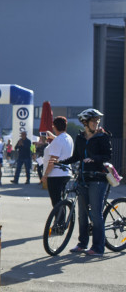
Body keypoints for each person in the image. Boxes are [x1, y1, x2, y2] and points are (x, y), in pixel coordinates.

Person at [59, 108, 113, 256]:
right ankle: (82, 244)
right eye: (93, 121)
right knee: (82, 214)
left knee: (95, 214)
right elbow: (76, 156)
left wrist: (94, 159)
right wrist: (60, 161)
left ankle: (98, 248)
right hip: (83, 178)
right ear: (85, 123)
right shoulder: (80, 138)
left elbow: (107, 156)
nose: (96, 123)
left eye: (97, 121)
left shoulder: (103, 137)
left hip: (98, 178)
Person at [42, 117, 73, 206]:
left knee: (56, 202)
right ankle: (61, 219)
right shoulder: (68, 138)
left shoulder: (58, 140)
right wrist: (54, 137)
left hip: (56, 174)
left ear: (54, 126)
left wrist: (45, 175)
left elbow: (53, 160)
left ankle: (59, 219)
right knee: (61, 200)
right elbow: (61, 142)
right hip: (66, 172)